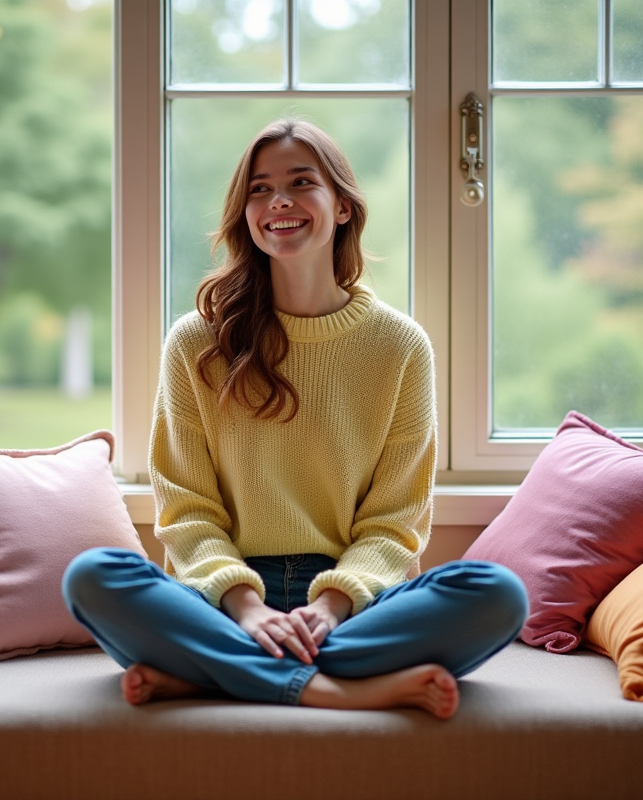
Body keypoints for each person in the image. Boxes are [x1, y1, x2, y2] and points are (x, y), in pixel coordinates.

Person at [62, 119, 527, 719]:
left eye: (301, 182)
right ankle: (331, 688)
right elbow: (187, 509)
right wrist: (247, 609)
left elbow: (393, 524)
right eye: (259, 189)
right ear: (246, 214)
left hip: (350, 603)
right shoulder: (196, 342)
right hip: (222, 598)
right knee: (94, 576)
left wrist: (329, 608)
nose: (278, 201)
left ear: (342, 207)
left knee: (496, 594)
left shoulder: (401, 347)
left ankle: (215, 674)